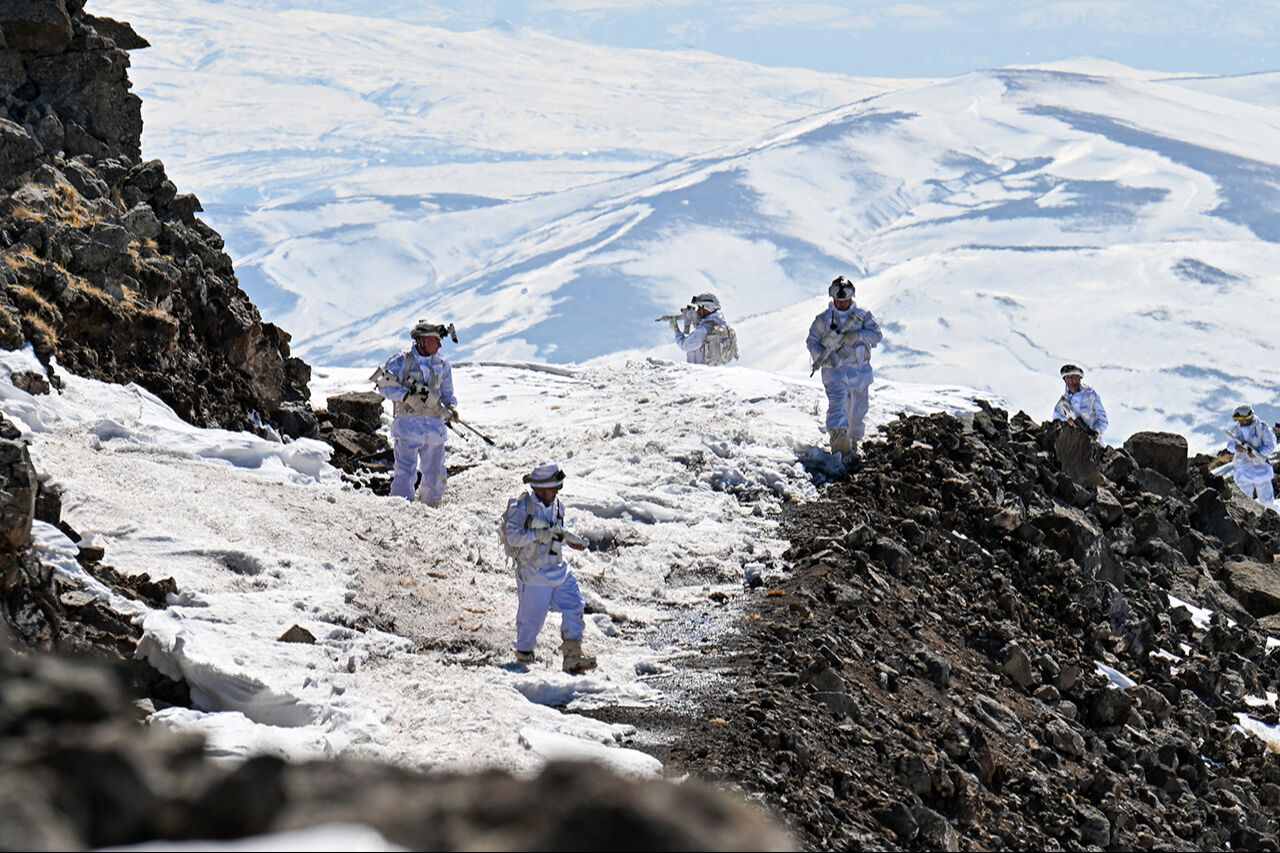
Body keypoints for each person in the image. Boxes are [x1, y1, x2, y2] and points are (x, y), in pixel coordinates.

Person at [500, 462, 597, 673]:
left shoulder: (557, 506)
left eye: (557, 489)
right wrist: (536, 535)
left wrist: (569, 539)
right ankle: (522, 661)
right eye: (553, 489)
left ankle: (573, 654)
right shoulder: (521, 508)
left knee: (575, 605)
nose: (556, 493)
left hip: (558, 569)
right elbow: (513, 537)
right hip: (533, 574)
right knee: (531, 623)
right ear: (539, 488)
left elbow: (555, 532)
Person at [372, 321, 458, 506]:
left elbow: (447, 393)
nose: (440, 345)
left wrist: (451, 408)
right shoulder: (402, 361)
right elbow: (383, 384)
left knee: (435, 472)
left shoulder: (442, 365)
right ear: (423, 341)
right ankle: (400, 508)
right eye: (436, 340)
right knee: (405, 472)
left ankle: (432, 505)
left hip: (435, 428)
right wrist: (406, 396)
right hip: (409, 425)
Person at [805, 276, 882, 456]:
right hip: (836, 372)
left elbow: (876, 335)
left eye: (845, 299)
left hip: (859, 371)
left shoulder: (863, 316)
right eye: (838, 300)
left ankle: (853, 441)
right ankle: (838, 439)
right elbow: (812, 341)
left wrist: (858, 336)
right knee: (838, 404)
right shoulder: (823, 320)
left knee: (857, 412)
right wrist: (822, 358)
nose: (842, 303)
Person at [1226, 404, 1276, 508]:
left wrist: (1258, 453)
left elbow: (1270, 446)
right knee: (1243, 503)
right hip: (1243, 469)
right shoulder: (1236, 429)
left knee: (1267, 502)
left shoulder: (1262, 428)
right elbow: (1229, 445)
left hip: (1261, 468)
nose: (1240, 421)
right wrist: (1236, 448)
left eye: (1241, 419)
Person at [670, 293, 738, 366]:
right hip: (715, 371)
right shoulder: (721, 325)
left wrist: (676, 330)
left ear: (706, 308)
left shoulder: (703, 330)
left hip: (698, 372)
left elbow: (684, 345)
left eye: (699, 308)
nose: (697, 311)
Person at [1052, 364, 1108, 438]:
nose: (1070, 379)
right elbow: (1056, 417)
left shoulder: (1090, 394)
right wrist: (1067, 420)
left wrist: (1096, 432)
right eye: (1067, 377)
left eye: (1073, 376)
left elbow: (1102, 418)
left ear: (1079, 378)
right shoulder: (1063, 401)